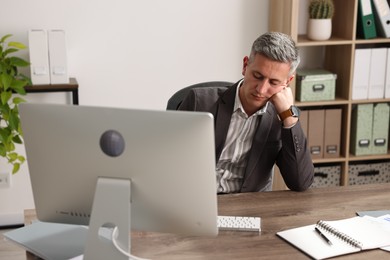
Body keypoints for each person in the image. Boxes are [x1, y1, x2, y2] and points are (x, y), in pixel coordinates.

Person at [178, 32, 314, 193]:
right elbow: (167, 162)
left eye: (274, 82)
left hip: (249, 205)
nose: (261, 89)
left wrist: (290, 118)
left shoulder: (282, 117)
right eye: (257, 76)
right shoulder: (198, 102)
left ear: (287, 82)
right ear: (245, 66)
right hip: (199, 200)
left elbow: (300, 182)